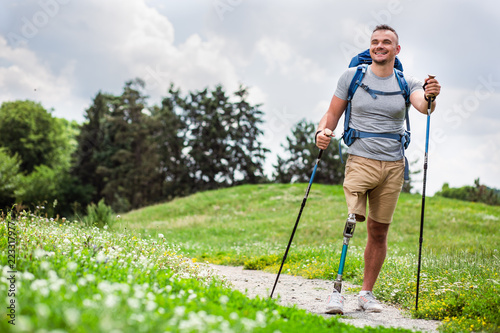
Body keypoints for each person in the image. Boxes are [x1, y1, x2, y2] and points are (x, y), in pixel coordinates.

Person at [315, 24, 441, 314]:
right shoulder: (352, 77)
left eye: (386, 42)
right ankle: (336, 292)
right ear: (370, 47)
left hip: (394, 165)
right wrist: (323, 132)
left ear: (397, 50)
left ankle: (365, 293)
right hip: (360, 159)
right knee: (352, 220)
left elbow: (424, 106)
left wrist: (432, 94)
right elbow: (332, 113)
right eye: (375, 42)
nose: (379, 46)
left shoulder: (405, 81)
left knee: (379, 231)